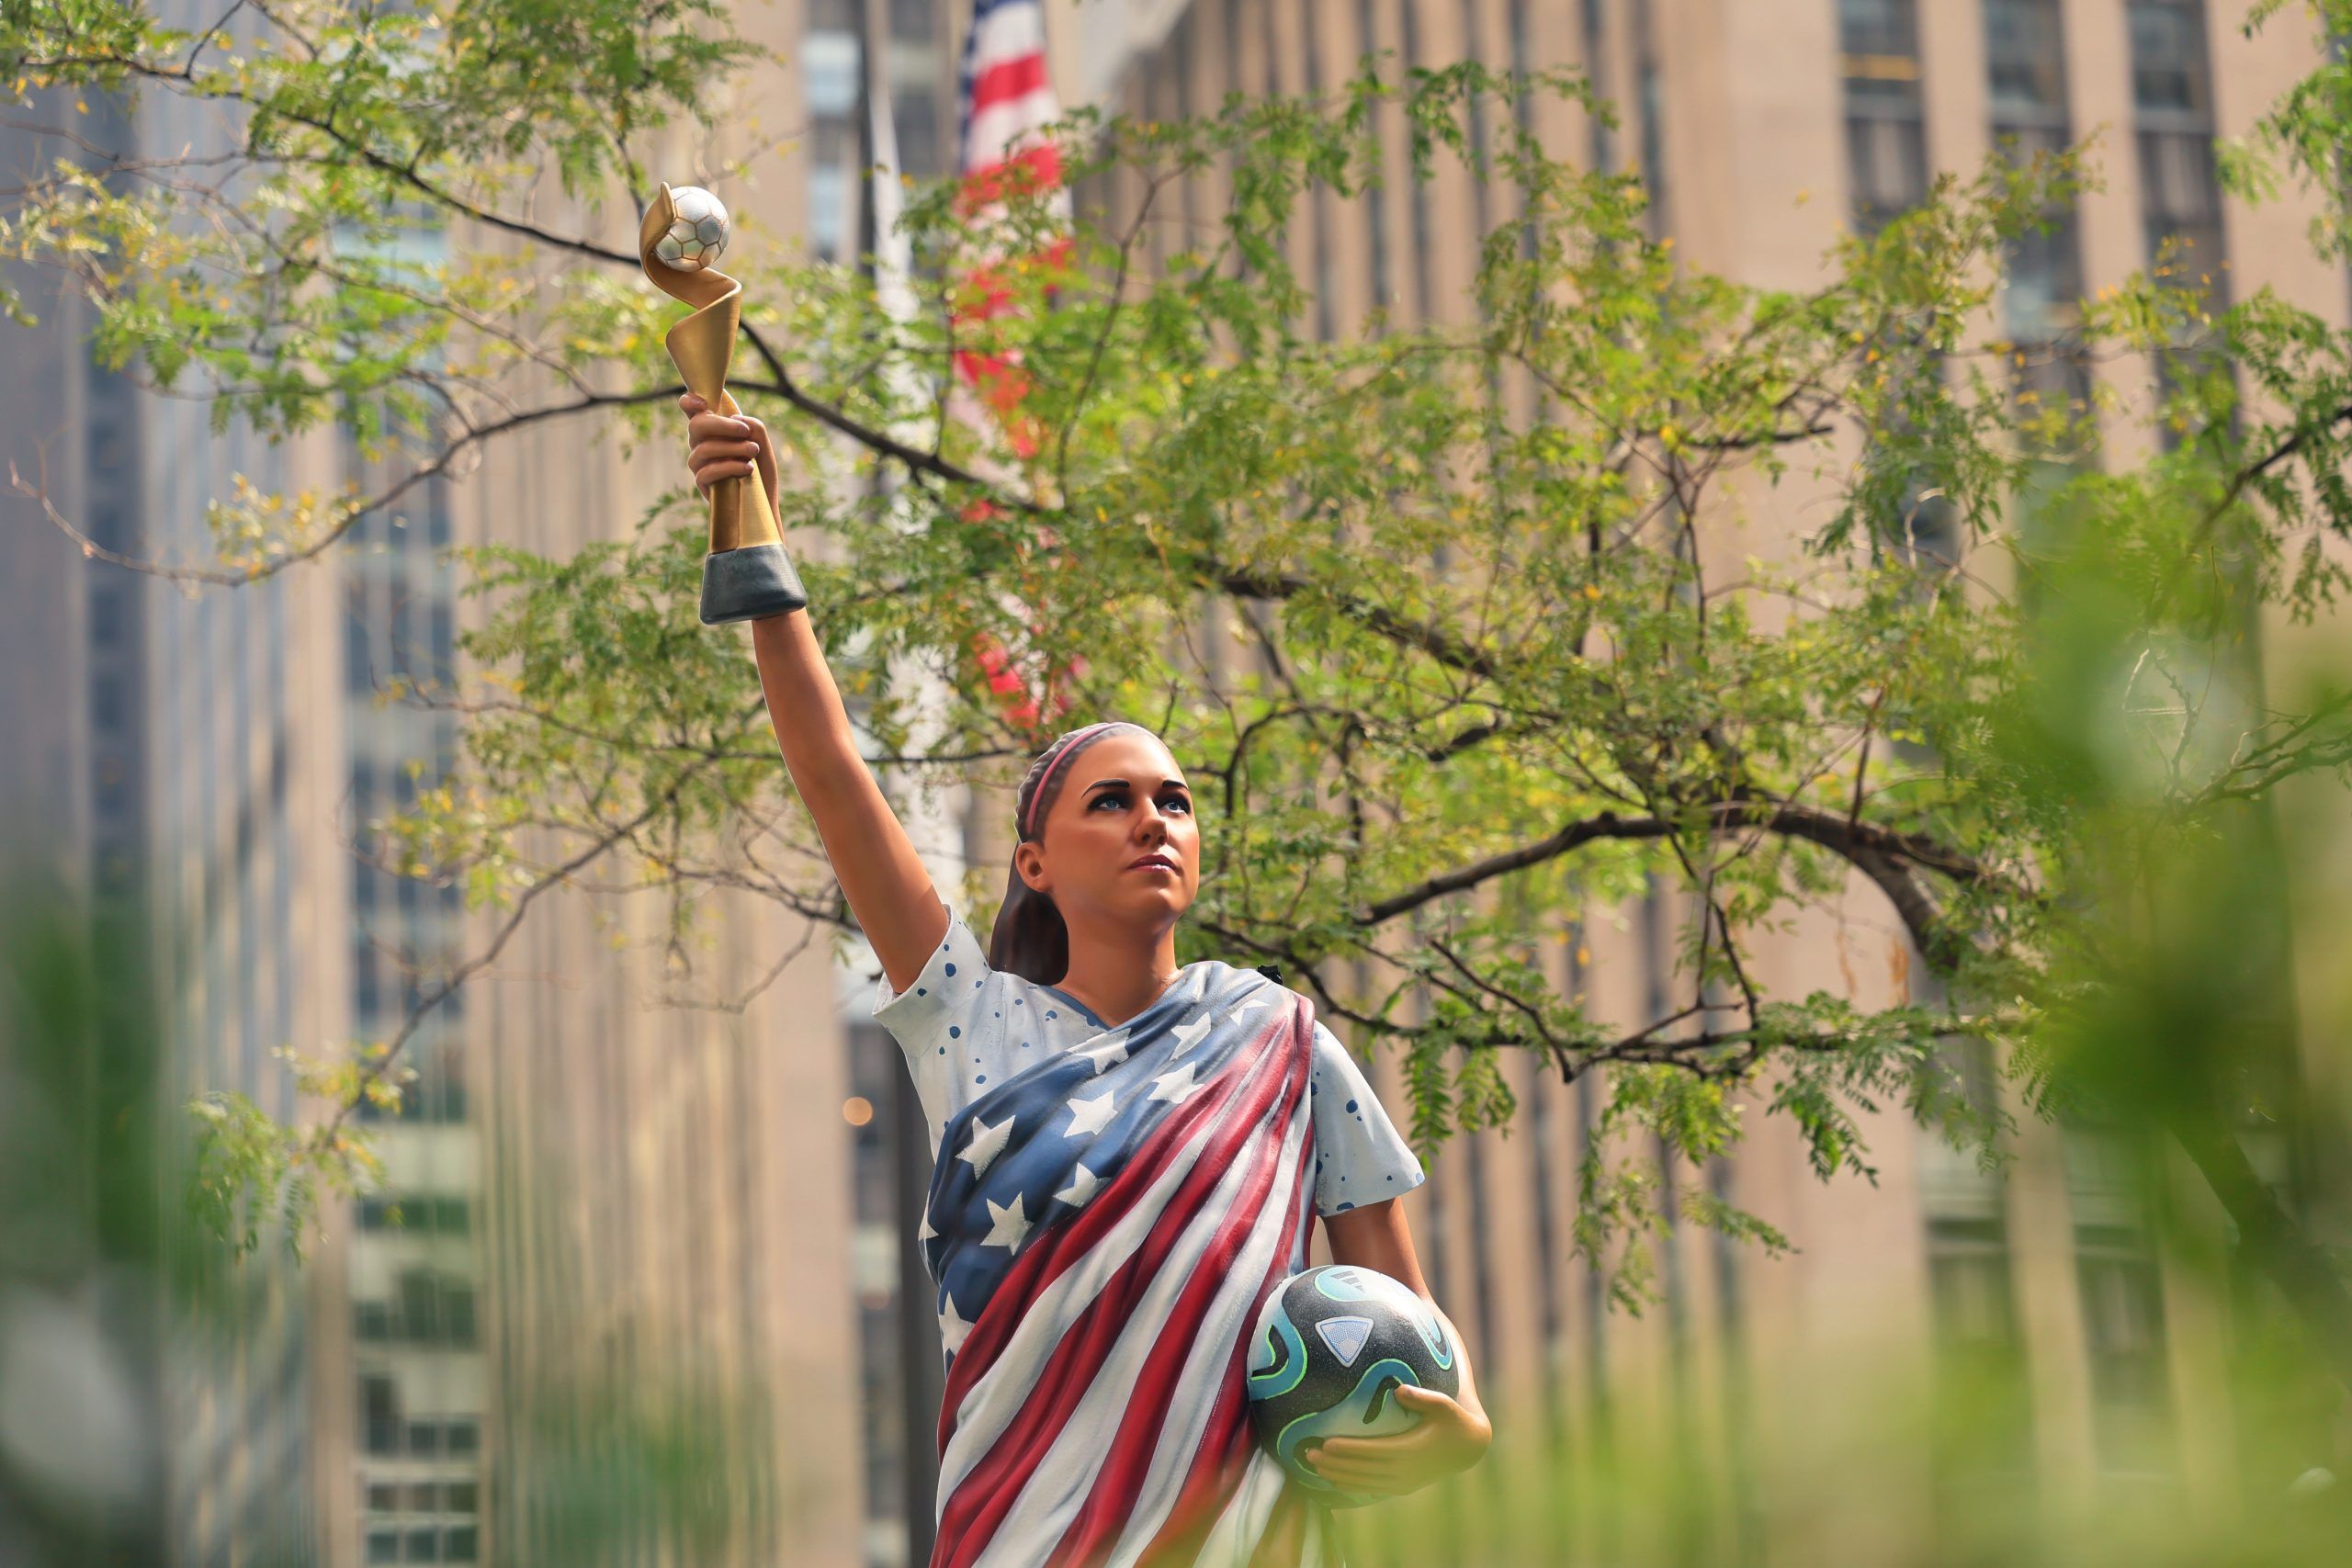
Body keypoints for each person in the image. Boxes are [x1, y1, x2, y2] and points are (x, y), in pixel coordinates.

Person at [681, 392, 1491, 1565]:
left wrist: (1457, 1431)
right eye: (1109, 802)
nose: (1151, 821)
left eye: (1174, 801)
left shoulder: (1281, 1041)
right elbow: (828, 768)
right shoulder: (968, 1016)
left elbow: (1412, 1333)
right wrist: (745, 518)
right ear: (1035, 861)